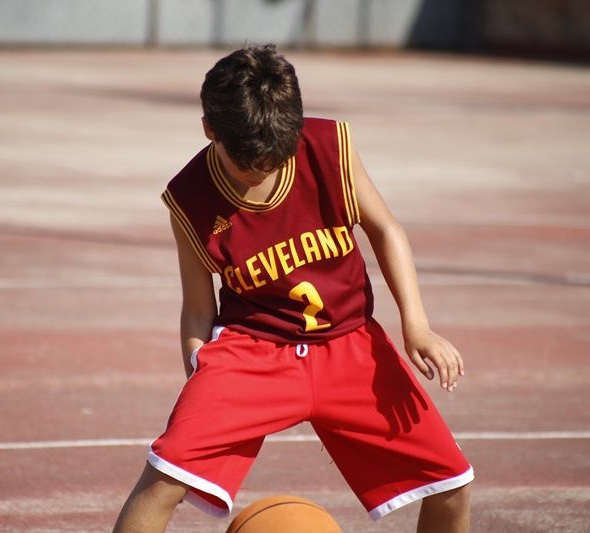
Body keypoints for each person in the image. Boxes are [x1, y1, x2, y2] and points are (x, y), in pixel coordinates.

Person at [112, 44, 473, 533]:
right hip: (252, 352)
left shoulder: (329, 147)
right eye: (249, 165)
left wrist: (418, 325)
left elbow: (385, 228)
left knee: (452, 484)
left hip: (350, 345)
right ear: (209, 129)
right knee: (162, 479)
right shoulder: (189, 197)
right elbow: (197, 307)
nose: (264, 170)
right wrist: (199, 370)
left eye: (276, 158)